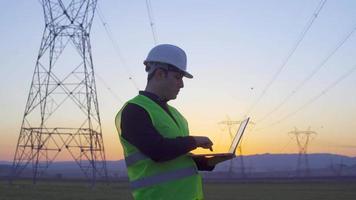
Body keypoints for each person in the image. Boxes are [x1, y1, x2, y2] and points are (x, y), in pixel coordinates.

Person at [115, 44, 233, 200]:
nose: (182, 84)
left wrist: (208, 163)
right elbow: (158, 151)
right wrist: (195, 141)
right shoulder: (135, 110)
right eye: (178, 77)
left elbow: (177, 158)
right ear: (159, 74)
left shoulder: (177, 115)